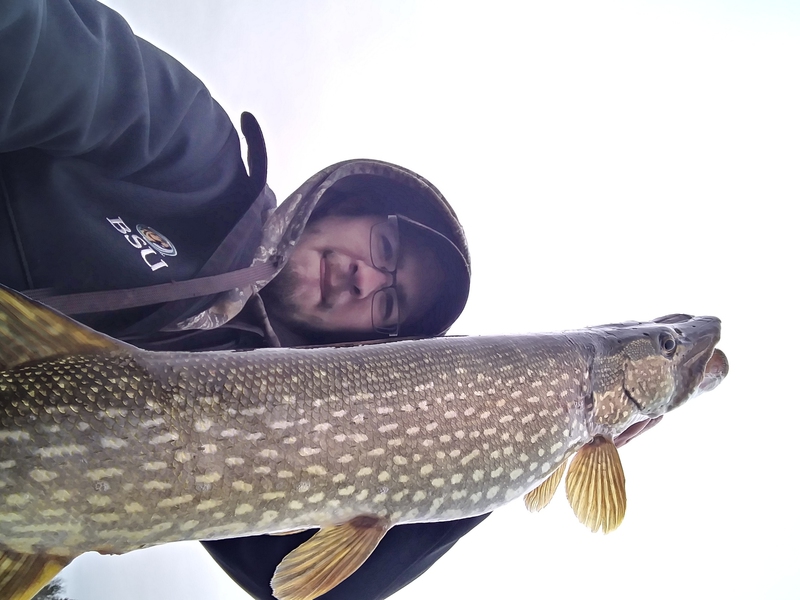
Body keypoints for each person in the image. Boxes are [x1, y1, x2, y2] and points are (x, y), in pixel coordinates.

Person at [0, 1, 487, 598]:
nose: (367, 281)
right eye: (385, 247)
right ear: (345, 206)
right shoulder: (192, 152)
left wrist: (521, 440)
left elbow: (316, 587)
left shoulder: (263, 427)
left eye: (389, 305)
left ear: (362, 342)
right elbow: (35, 45)